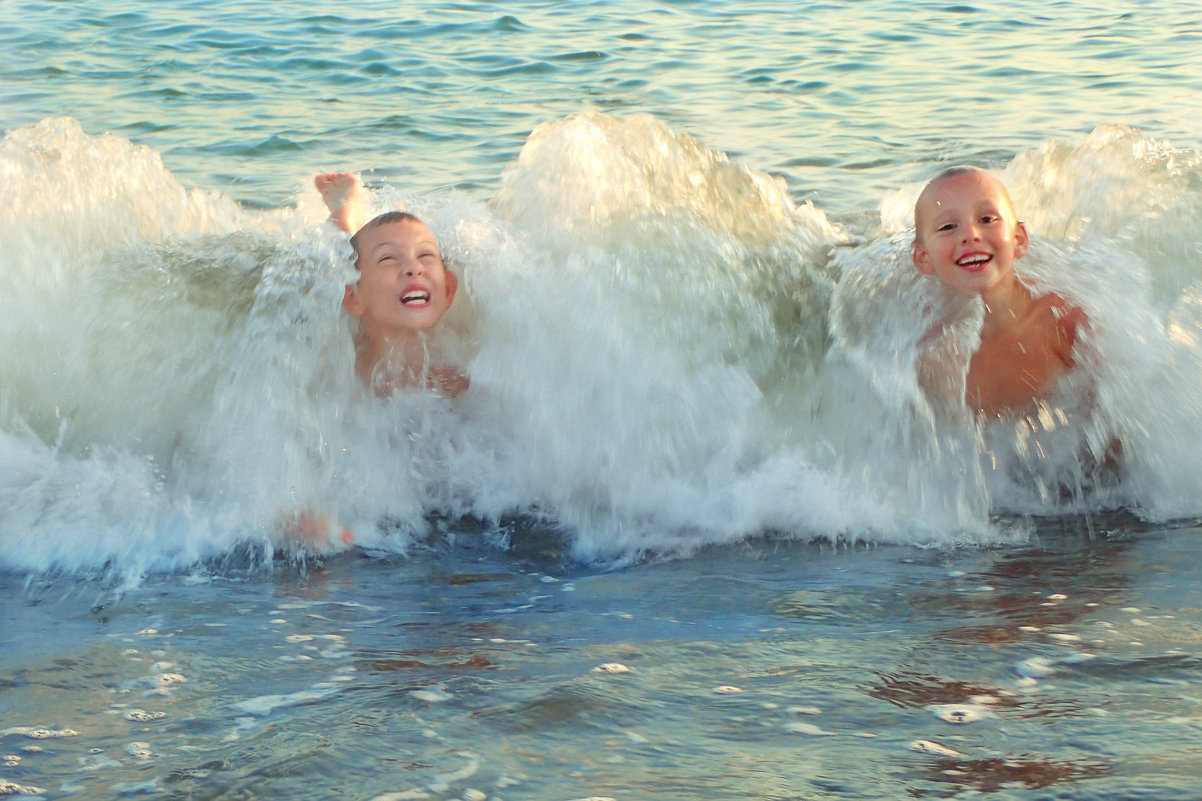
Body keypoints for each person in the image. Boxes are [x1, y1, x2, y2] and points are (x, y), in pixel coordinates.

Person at [911, 166, 1087, 419]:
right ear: (923, 257)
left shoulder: (1061, 323)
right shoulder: (930, 350)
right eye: (948, 226)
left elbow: (1114, 422)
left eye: (987, 220)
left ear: (1019, 239)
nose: (970, 235)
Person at [315, 172, 468, 397]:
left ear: (447, 290)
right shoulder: (346, 366)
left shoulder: (463, 361)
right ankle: (345, 207)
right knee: (339, 250)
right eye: (388, 258)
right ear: (354, 298)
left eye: (425, 254)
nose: (414, 268)